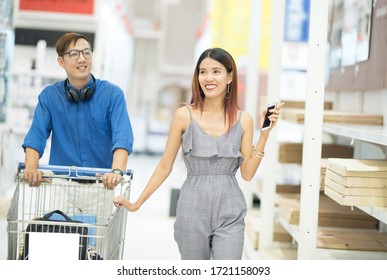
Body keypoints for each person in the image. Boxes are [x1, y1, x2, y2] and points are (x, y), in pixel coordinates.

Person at [114, 47, 284, 260]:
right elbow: (165, 166)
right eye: (202, 72)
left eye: (216, 71)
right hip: (192, 208)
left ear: (230, 77)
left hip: (230, 209)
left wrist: (265, 134)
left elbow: (248, 174)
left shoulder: (244, 120)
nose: (208, 77)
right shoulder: (183, 116)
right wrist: (138, 203)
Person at [22, 32, 134, 190]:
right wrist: (31, 168)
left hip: (100, 186)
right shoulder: (49, 97)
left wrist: (116, 171)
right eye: (74, 54)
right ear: (61, 61)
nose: (82, 59)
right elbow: (36, 136)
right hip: (61, 186)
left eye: (86, 52)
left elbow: (122, 139)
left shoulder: (112, 95)